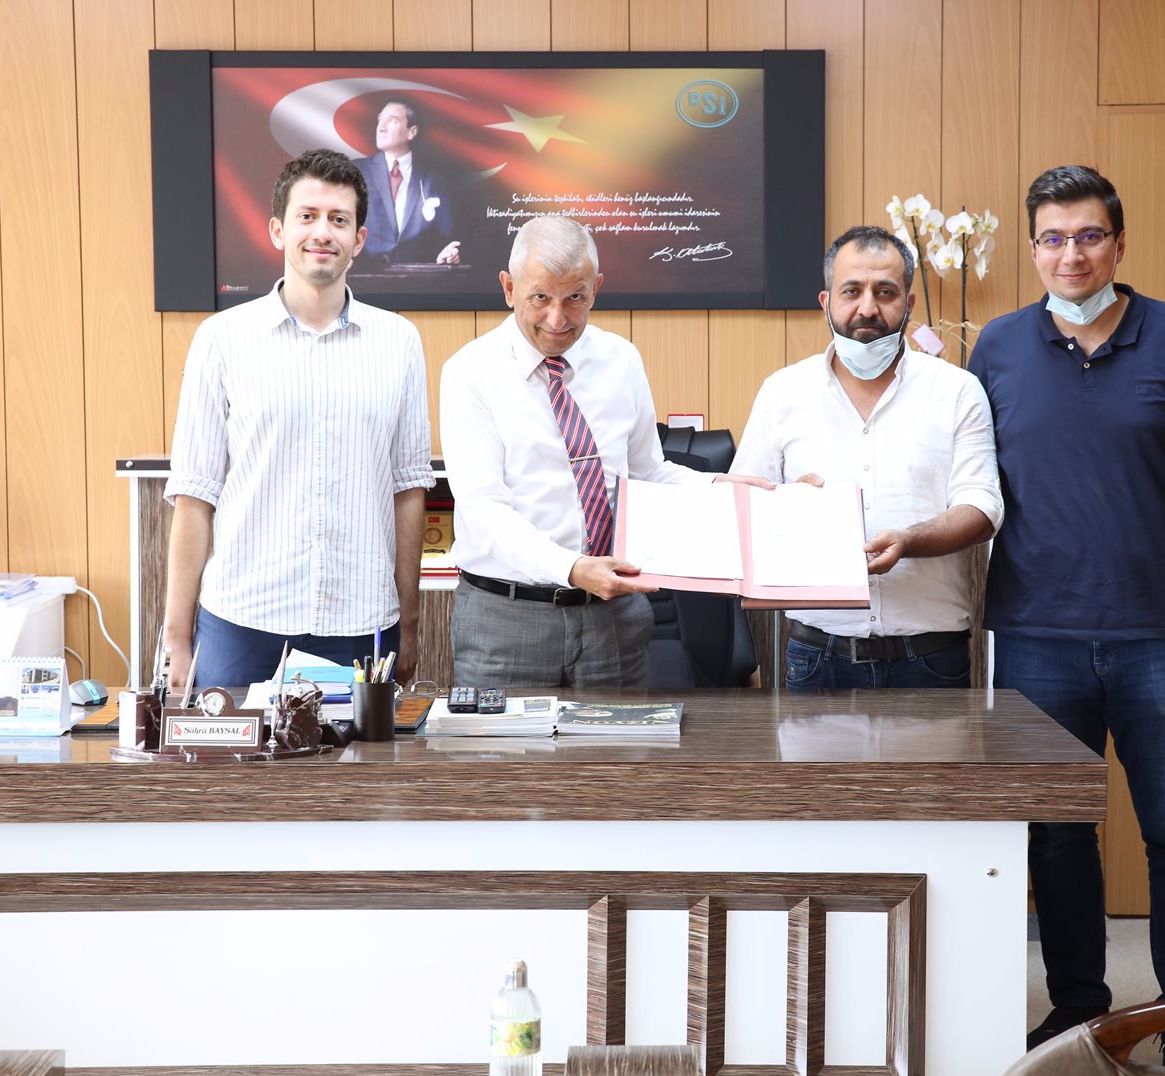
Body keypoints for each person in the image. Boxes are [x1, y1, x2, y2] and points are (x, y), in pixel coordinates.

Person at [968, 165, 1165, 1067]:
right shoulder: (998, 347)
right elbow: (976, 477)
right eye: (1053, 238)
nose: (1073, 254)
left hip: (1164, 634)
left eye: (1090, 235)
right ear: (1033, 249)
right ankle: (1079, 1011)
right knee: (1058, 836)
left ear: (1120, 243)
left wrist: (1161, 538)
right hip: (1036, 635)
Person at [439, 216, 763, 688]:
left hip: (613, 617)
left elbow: (648, 473)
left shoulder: (621, 360)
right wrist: (571, 568)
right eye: (540, 298)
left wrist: (719, 486)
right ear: (509, 288)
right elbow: (483, 509)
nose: (558, 319)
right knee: (505, 742)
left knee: (618, 740)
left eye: (575, 298)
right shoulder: (471, 372)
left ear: (596, 289)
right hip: (506, 619)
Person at [163, 148, 435, 691]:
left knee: (359, 753)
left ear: (360, 238)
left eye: (339, 219)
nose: (322, 232)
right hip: (242, 620)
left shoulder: (399, 342)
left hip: (361, 622)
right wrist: (176, 635)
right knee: (237, 753)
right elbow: (194, 495)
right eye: (307, 216)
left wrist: (410, 624)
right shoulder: (222, 339)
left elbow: (408, 492)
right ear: (277, 231)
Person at [730, 225, 1001, 689]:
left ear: (909, 304)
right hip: (817, 655)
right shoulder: (783, 392)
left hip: (931, 658)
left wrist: (909, 541)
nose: (868, 308)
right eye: (851, 291)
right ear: (826, 301)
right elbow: (742, 506)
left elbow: (982, 507)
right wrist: (786, 505)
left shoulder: (957, 390)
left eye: (885, 292)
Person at [354, 100, 461, 266]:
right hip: (366, 273)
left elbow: (447, 235)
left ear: (412, 132)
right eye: (380, 119)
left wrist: (447, 253)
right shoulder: (356, 171)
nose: (381, 127)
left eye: (392, 120)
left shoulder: (436, 177)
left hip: (420, 274)